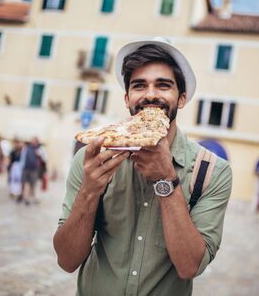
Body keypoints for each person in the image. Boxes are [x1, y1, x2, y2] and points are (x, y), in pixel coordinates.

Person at [53, 37, 233, 295]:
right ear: (127, 99)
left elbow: (190, 266)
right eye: (139, 86)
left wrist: (166, 180)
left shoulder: (213, 172)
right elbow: (66, 260)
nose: (150, 94)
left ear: (181, 99)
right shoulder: (92, 160)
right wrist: (90, 190)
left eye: (163, 85)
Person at [20, 137, 43, 205]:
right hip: (26, 168)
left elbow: (44, 158)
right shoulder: (26, 148)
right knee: (25, 184)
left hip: (34, 169)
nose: (33, 142)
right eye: (32, 141)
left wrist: (39, 155)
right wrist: (22, 166)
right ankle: (26, 198)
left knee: (32, 185)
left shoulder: (40, 149)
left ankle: (29, 198)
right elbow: (23, 157)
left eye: (35, 141)